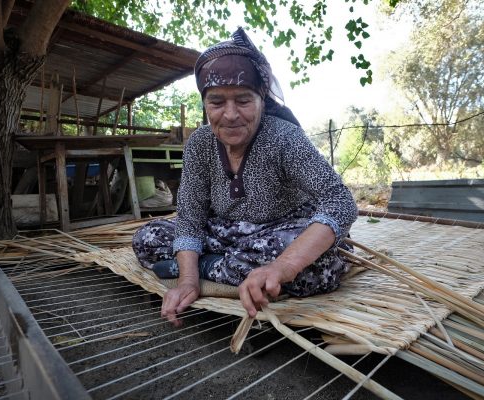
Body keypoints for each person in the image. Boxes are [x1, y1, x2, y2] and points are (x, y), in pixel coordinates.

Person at [132, 27, 358, 327]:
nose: (230, 114)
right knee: (146, 238)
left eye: (243, 100)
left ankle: (214, 267)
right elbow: (190, 217)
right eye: (216, 102)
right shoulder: (199, 145)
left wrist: (284, 266)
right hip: (227, 234)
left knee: (326, 262)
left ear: (261, 100)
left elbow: (340, 202)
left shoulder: (283, 138)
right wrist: (187, 280)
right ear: (205, 105)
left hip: (280, 233)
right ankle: (212, 270)